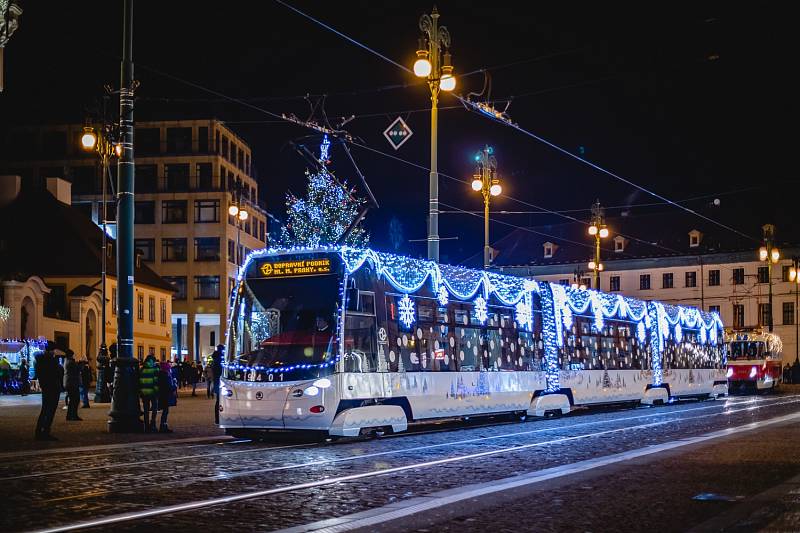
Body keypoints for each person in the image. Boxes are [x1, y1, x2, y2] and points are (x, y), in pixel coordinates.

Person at [35, 342, 64, 440]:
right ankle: (46, 431)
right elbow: (58, 373)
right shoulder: (51, 361)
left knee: (44, 410)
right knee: (50, 411)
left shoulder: (40, 360)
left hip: (45, 387)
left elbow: (39, 374)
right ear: (52, 350)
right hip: (53, 387)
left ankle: (38, 431)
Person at [138, 354, 159, 432]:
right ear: (152, 361)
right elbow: (156, 382)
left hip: (144, 393)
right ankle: (152, 424)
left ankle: (146, 426)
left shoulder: (142, 369)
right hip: (153, 393)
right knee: (154, 409)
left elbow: (139, 382)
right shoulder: (155, 370)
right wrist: (157, 392)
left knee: (146, 410)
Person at [157, 361, 175, 433]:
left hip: (162, 395)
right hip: (166, 395)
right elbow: (169, 387)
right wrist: (174, 386)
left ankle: (163, 425)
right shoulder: (166, 375)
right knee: (165, 411)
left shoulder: (160, 374)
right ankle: (163, 426)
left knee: (165, 411)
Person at [63, 350, 81, 421]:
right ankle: (73, 415)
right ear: (71, 355)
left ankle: (70, 415)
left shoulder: (67, 361)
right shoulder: (70, 362)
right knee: (75, 400)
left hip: (69, 382)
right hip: (72, 383)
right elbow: (77, 369)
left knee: (72, 400)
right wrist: (81, 364)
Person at [211, 344, 224, 424]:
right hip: (221, 382)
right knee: (221, 401)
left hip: (216, 382)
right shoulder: (221, 360)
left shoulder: (215, 360)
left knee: (218, 401)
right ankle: (219, 418)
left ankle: (217, 419)